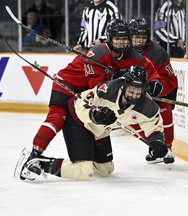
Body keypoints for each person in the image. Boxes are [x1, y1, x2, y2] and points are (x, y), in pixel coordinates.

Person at [17, 18, 161, 180]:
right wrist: (117, 76)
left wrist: (155, 81)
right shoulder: (98, 53)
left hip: (85, 91)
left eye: (125, 39)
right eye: (118, 39)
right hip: (67, 83)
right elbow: (98, 89)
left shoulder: (130, 55)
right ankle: (34, 154)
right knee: (58, 117)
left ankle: (88, 161)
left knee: (94, 130)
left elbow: (147, 66)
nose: (121, 43)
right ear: (110, 38)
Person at [15, 66, 169, 181]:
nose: (135, 95)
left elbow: (153, 126)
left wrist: (157, 142)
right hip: (78, 121)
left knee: (105, 170)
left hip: (99, 131)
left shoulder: (148, 106)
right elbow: (80, 102)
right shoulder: (108, 89)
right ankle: (38, 163)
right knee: (84, 171)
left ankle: (84, 158)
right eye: (131, 90)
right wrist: (94, 114)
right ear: (125, 85)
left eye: (139, 91)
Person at [129, 18, 178, 164]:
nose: (140, 41)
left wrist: (158, 87)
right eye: (137, 37)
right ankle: (155, 146)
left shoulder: (158, 53)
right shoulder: (123, 50)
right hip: (131, 94)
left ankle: (167, 148)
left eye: (143, 37)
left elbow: (171, 79)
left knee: (164, 110)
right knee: (133, 120)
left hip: (155, 94)